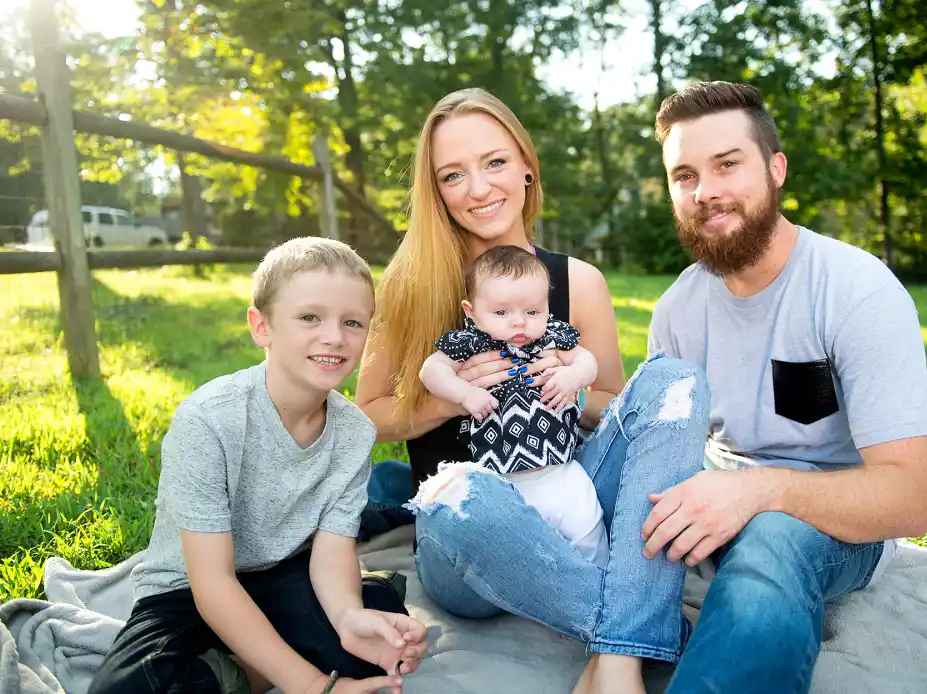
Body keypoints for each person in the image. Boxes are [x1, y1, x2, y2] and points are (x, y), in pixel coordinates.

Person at [355, 87, 710, 694]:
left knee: (675, 380)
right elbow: (367, 415)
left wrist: (566, 387)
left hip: (569, 494)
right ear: (435, 190)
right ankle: (646, 627)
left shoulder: (580, 281)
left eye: (494, 162)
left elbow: (620, 412)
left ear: (525, 165)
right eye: (452, 175)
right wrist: (452, 396)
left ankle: (616, 651)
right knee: (459, 492)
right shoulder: (409, 285)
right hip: (469, 534)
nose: (479, 188)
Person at [641, 81, 927, 693]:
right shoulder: (676, 309)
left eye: (728, 165)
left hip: (834, 523)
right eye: (685, 175)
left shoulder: (857, 291)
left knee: (773, 536)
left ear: (775, 169)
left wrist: (757, 493)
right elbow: (662, 456)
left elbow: (911, 499)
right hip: (712, 495)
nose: (706, 191)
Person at [89, 238, 428, 694]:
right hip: (188, 589)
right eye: (310, 317)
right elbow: (212, 583)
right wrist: (312, 685)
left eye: (353, 322)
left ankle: (240, 666)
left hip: (285, 572)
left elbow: (329, 553)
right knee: (128, 687)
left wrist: (348, 615)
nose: (334, 336)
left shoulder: (354, 432)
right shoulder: (209, 419)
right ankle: (256, 665)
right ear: (261, 326)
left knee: (377, 644)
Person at [419, 244, 608, 566]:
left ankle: (602, 583)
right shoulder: (471, 342)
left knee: (589, 535)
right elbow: (431, 371)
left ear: (547, 307)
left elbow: (587, 361)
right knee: (524, 555)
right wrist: (464, 394)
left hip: (563, 470)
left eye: (532, 312)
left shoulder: (552, 336)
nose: (518, 323)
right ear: (471, 310)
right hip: (503, 481)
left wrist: (574, 376)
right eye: (502, 312)